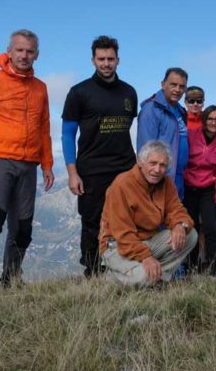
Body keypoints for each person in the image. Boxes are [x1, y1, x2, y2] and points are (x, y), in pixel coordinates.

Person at [0, 29, 54, 292]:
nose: (24, 55)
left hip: (29, 165)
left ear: (37, 55)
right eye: (19, 50)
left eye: (29, 51)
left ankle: (11, 280)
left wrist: (47, 164)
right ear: (9, 51)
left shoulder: (40, 88)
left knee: (23, 228)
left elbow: (44, 129)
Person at [62, 35, 138, 278]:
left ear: (118, 60)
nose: (106, 63)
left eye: (110, 59)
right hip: (92, 169)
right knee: (92, 222)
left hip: (125, 168)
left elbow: (127, 128)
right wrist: (72, 173)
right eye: (101, 59)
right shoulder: (79, 92)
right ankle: (93, 271)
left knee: (127, 219)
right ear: (93, 60)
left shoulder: (129, 92)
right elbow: (67, 134)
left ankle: (126, 268)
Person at [99, 140, 197, 287]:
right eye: (153, 163)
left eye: (162, 165)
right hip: (117, 245)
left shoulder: (166, 183)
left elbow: (176, 209)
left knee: (190, 235)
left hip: (148, 241)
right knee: (144, 277)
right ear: (140, 162)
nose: (157, 170)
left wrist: (180, 225)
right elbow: (122, 233)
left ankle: (158, 277)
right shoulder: (121, 185)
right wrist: (145, 257)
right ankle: (112, 276)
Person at [184, 106, 216, 275]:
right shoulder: (191, 136)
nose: (213, 122)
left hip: (208, 190)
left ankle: (214, 268)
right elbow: (183, 159)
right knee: (191, 227)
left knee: (211, 228)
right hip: (189, 187)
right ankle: (191, 266)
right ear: (204, 120)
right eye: (210, 118)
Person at [137, 67, 190, 199]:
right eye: (173, 84)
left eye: (181, 86)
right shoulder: (151, 110)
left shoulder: (180, 111)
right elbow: (145, 150)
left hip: (178, 179)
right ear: (163, 84)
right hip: (159, 181)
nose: (177, 89)